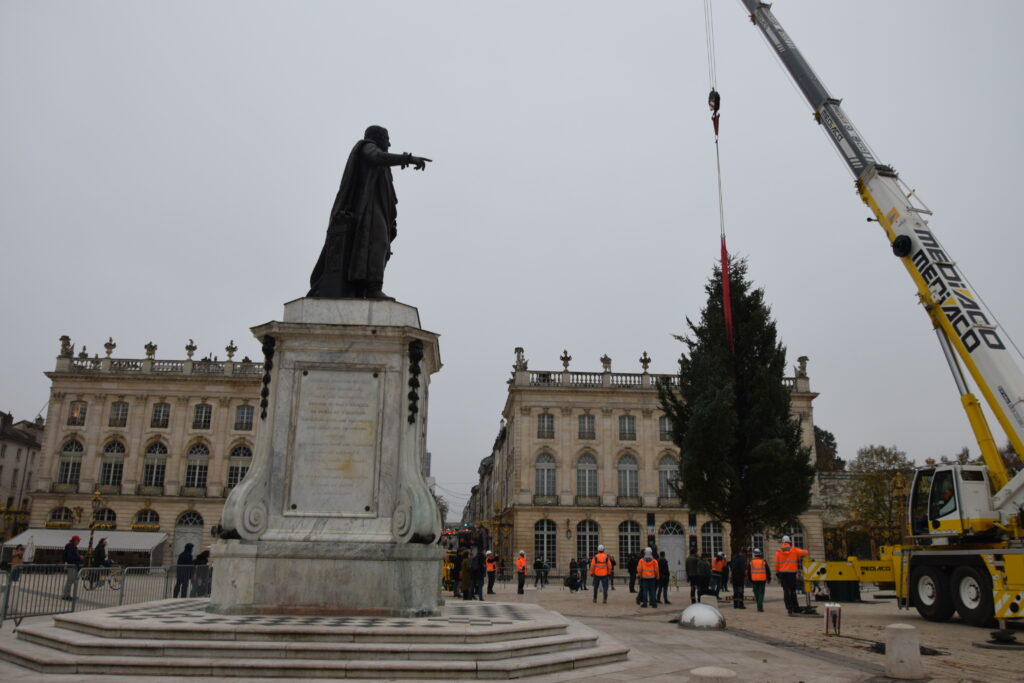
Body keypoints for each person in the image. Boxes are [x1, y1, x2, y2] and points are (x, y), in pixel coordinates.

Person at [307, 126, 431, 300]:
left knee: (380, 246)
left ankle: (366, 287)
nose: (389, 142)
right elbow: (377, 157)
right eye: (387, 138)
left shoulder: (383, 167)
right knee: (376, 243)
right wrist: (408, 159)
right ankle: (373, 288)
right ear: (377, 138)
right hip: (367, 211)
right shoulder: (367, 147)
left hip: (377, 210)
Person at [775, 535, 809, 615]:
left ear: (782, 542)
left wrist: (777, 572)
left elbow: (776, 564)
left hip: (783, 574)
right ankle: (795, 607)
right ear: (789, 542)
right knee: (793, 591)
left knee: (786, 591)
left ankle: (789, 609)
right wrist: (806, 551)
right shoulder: (794, 550)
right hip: (792, 574)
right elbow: (805, 552)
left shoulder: (778, 552)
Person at [61, 535, 81, 600]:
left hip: (73, 566)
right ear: (75, 540)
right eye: (78, 540)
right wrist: (79, 557)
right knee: (69, 581)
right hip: (71, 566)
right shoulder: (71, 546)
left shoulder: (73, 546)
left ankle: (68, 595)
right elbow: (70, 557)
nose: (79, 542)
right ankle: (65, 595)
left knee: (72, 581)